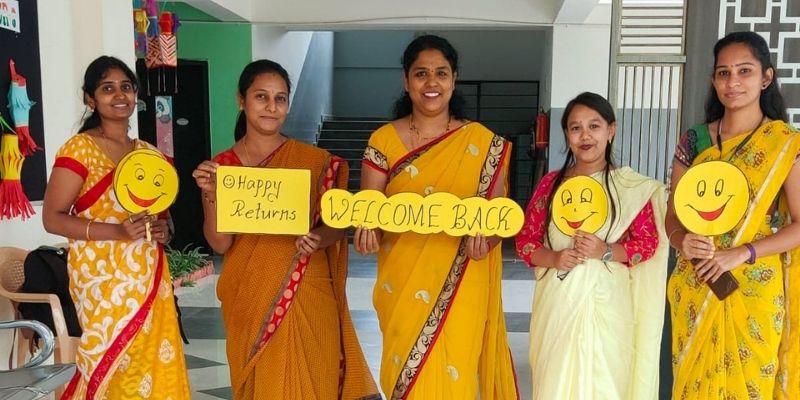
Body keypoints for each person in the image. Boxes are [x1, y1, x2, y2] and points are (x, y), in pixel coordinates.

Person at [191, 59, 379, 400]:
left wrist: (318, 238)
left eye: (280, 98)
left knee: (316, 380)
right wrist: (211, 194)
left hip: (309, 287)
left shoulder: (316, 163)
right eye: (261, 96)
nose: (271, 106)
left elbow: (337, 226)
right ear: (241, 100)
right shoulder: (222, 168)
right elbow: (220, 243)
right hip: (251, 295)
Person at [354, 34, 519, 399]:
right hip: (402, 280)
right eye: (421, 73)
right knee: (405, 374)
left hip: (463, 279)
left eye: (441, 73)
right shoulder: (383, 141)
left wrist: (486, 241)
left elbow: (497, 218)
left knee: (456, 372)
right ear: (406, 80)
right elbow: (370, 211)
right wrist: (367, 233)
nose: (432, 82)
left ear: (454, 79)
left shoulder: (483, 143)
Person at [42, 56, 190, 399]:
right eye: (107, 88)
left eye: (126, 87)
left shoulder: (147, 153)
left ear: (136, 94)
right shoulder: (80, 149)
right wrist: (118, 233)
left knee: (154, 362)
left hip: (148, 275)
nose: (119, 95)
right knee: (111, 364)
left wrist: (164, 230)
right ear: (90, 99)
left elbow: (162, 217)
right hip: (101, 279)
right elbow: (53, 218)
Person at [665, 31, 800, 399]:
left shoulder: (784, 144)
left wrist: (742, 253)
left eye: (744, 71)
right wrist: (682, 241)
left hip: (753, 285)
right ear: (713, 80)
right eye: (723, 73)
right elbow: (673, 215)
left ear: (766, 77)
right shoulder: (695, 141)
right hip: (697, 279)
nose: (733, 82)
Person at [515, 92, 668, 400]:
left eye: (594, 126)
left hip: (609, 306)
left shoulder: (629, 187)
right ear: (567, 135)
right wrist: (554, 258)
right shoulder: (551, 185)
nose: (585, 136)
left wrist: (605, 251)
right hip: (558, 303)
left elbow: (647, 244)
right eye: (576, 128)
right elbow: (525, 242)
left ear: (611, 131)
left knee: (606, 383)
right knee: (555, 381)